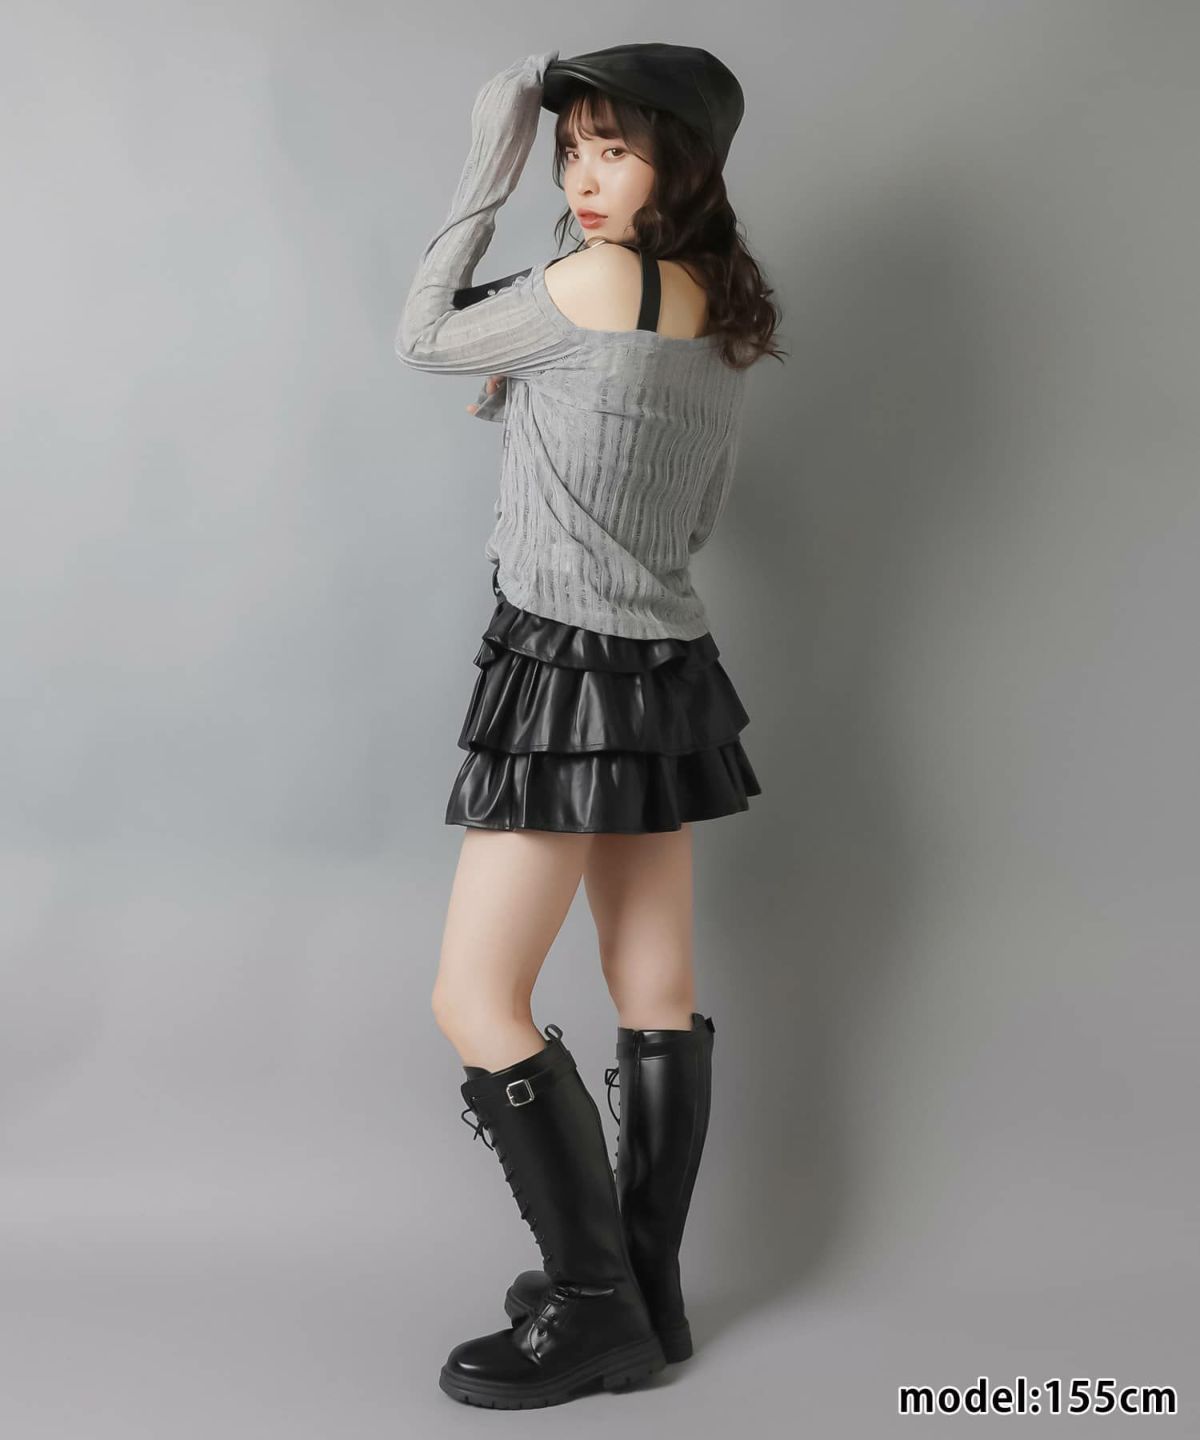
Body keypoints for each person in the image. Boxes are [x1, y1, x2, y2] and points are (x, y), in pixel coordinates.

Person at [395, 44, 782, 1408]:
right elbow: (698, 512)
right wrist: (553, 398)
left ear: (681, 164)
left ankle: (590, 1303)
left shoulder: (583, 283)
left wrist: (492, 154)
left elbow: (423, 334)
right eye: (569, 149)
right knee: (654, 993)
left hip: (562, 666)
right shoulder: (718, 307)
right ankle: (648, 1295)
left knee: (474, 997)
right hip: (667, 667)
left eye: (613, 148)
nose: (583, 174)